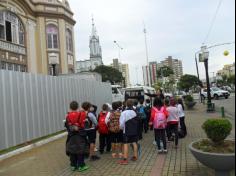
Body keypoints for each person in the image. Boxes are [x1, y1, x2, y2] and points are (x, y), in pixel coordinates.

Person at [65, 101, 89, 172]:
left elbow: (67, 125)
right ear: (78, 106)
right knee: (80, 150)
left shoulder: (67, 115)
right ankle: (81, 166)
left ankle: (73, 165)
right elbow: (85, 124)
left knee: (72, 150)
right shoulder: (82, 114)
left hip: (71, 135)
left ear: (70, 107)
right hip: (80, 135)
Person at [119, 100, 139, 165]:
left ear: (126, 104)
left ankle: (125, 160)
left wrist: (121, 128)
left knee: (126, 144)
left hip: (126, 130)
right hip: (134, 130)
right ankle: (135, 156)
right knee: (134, 142)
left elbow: (121, 123)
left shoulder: (124, 112)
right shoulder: (135, 111)